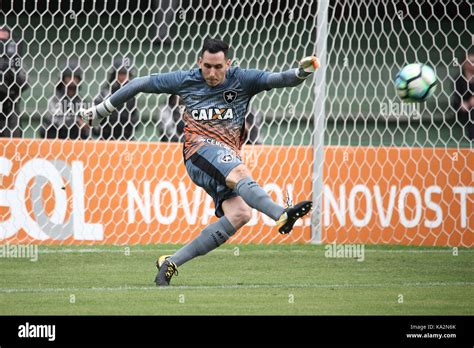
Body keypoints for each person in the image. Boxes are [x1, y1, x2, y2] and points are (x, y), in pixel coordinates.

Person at [78, 38, 319, 286]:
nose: (212, 73)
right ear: (199, 62)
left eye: (218, 67)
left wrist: (301, 72)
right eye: (207, 66)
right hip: (198, 151)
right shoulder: (187, 79)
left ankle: (170, 262)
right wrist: (101, 111)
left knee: (240, 214)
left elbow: (279, 79)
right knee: (239, 171)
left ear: (228, 63)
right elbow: (139, 83)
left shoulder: (244, 79)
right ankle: (280, 214)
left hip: (225, 157)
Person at [93, 58, 139, 141]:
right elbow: (95, 116)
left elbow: (135, 121)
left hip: (126, 138)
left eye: (127, 74)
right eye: (121, 73)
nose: (124, 77)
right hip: (106, 138)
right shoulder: (105, 93)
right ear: (114, 74)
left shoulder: (132, 96)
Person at [41, 66, 89, 140]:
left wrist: (85, 122)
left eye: (75, 77)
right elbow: (55, 120)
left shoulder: (81, 101)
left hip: (74, 136)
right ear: (63, 79)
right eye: (69, 77)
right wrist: (76, 121)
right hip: (56, 136)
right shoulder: (54, 99)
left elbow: (86, 121)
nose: (72, 80)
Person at [0, 25, 28, 138]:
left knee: (11, 150)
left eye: (4, 41)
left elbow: (24, 83)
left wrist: (11, 70)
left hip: (10, 114)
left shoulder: (16, 61)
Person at [451, 53, 473, 140]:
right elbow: (457, 96)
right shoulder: (459, 79)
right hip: (463, 107)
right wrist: (463, 103)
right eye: (470, 62)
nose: (472, 64)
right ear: (464, 63)